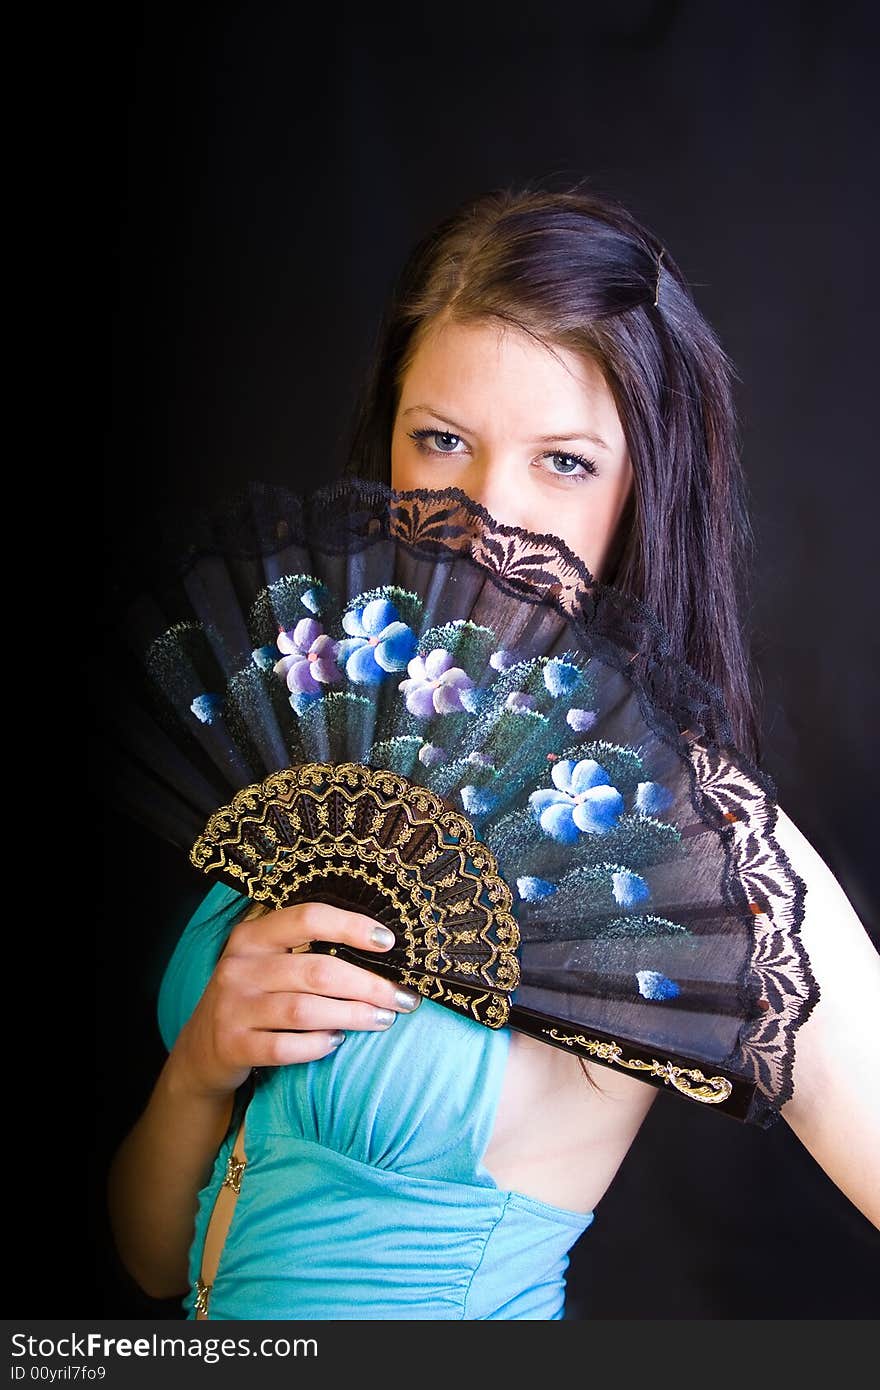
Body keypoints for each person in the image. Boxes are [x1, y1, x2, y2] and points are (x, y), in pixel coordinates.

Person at [106, 183, 880, 1321]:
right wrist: (198, 1067)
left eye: (562, 461)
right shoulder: (323, 740)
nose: (489, 514)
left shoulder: (679, 851)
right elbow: (153, 1264)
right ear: (389, 444)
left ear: (639, 490)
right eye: (443, 441)